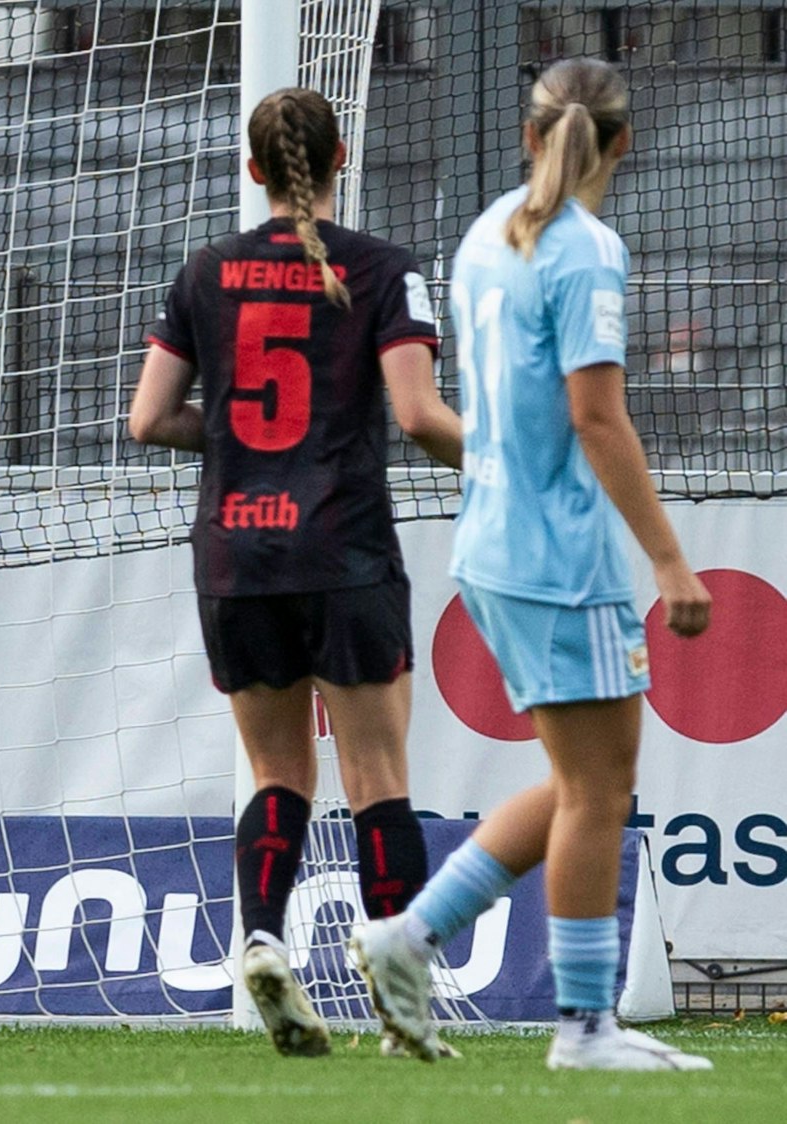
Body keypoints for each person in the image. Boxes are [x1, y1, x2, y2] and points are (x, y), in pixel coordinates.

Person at [349, 58, 713, 1072]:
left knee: (576, 778)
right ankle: (584, 1026)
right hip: (559, 554)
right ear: (624, 144)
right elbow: (596, 416)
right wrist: (672, 563)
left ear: (527, 133)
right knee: (602, 788)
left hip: (493, 541)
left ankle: (406, 936)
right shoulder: (586, 248)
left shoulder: (484, 233)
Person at [129, 87, 464, 1059]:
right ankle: (400, 992)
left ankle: (266, 939)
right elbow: (418, 416)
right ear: (340, 158)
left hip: (236, 548)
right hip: (344, 545)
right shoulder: (381, 270)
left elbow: (147, 419)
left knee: (276, 771)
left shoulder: (206, 272)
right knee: (376, 774)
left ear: (252, 170)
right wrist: (517, 464)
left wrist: (236, 444)